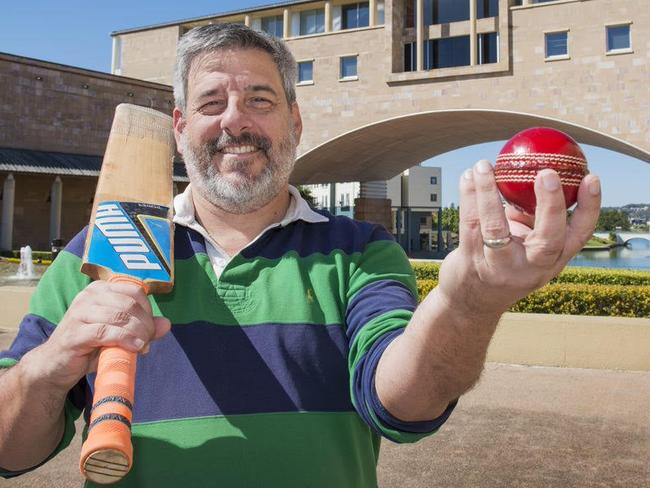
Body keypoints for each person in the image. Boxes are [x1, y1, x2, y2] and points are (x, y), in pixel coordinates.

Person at [0, 24, 601, 487]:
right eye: (212, 104)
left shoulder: (361, 253)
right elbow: (9, 451)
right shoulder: (94, 255)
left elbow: (402, 407)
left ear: (295, 120)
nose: (236, 120)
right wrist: (50, 365)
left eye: (260, 100)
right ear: (180, 127)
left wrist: (468, 302)